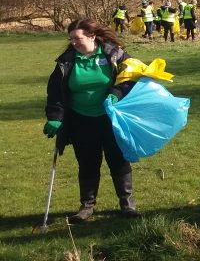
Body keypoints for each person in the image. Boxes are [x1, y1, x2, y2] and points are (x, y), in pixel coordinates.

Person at [43, 19, 140, 222]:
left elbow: (130, 77)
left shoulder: (114, 55)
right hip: (81, 121)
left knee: (118, 159)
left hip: (111, 119)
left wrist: (115, 93)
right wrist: (55, 117)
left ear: (92, 36)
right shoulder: (66, 61)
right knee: (87, 163)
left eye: (77, 38)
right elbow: (56, 93)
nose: (73, 43)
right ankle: (86, 206)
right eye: (70, 39)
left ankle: (127, 203)